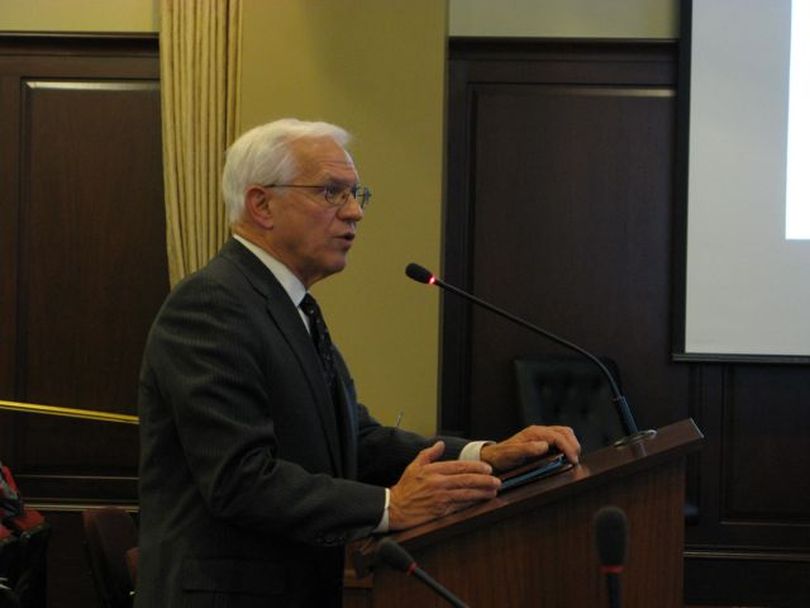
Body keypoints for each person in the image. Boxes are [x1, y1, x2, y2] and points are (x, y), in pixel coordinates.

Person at [135, 118, 580, 607]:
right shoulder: (211, 304)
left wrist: (481, 455)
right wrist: (391, 505)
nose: (353, 213)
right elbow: (240, 480)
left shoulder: (287, 303)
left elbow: (356, 440)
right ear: (262, 204)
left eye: (355, 194)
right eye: (331, 192)